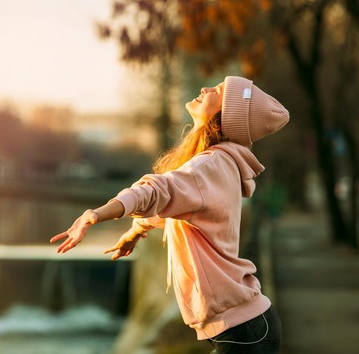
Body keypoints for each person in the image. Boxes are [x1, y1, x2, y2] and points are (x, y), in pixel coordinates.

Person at [50, 76, 289, 354]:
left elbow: (155, 190)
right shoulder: (218, 164)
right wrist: (136, 230)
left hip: (244, 332)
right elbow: (179, 207)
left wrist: (97, 213)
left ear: (226, 118)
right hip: (245, 327)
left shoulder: (211, 164)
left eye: (218, 91)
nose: (206, 89)